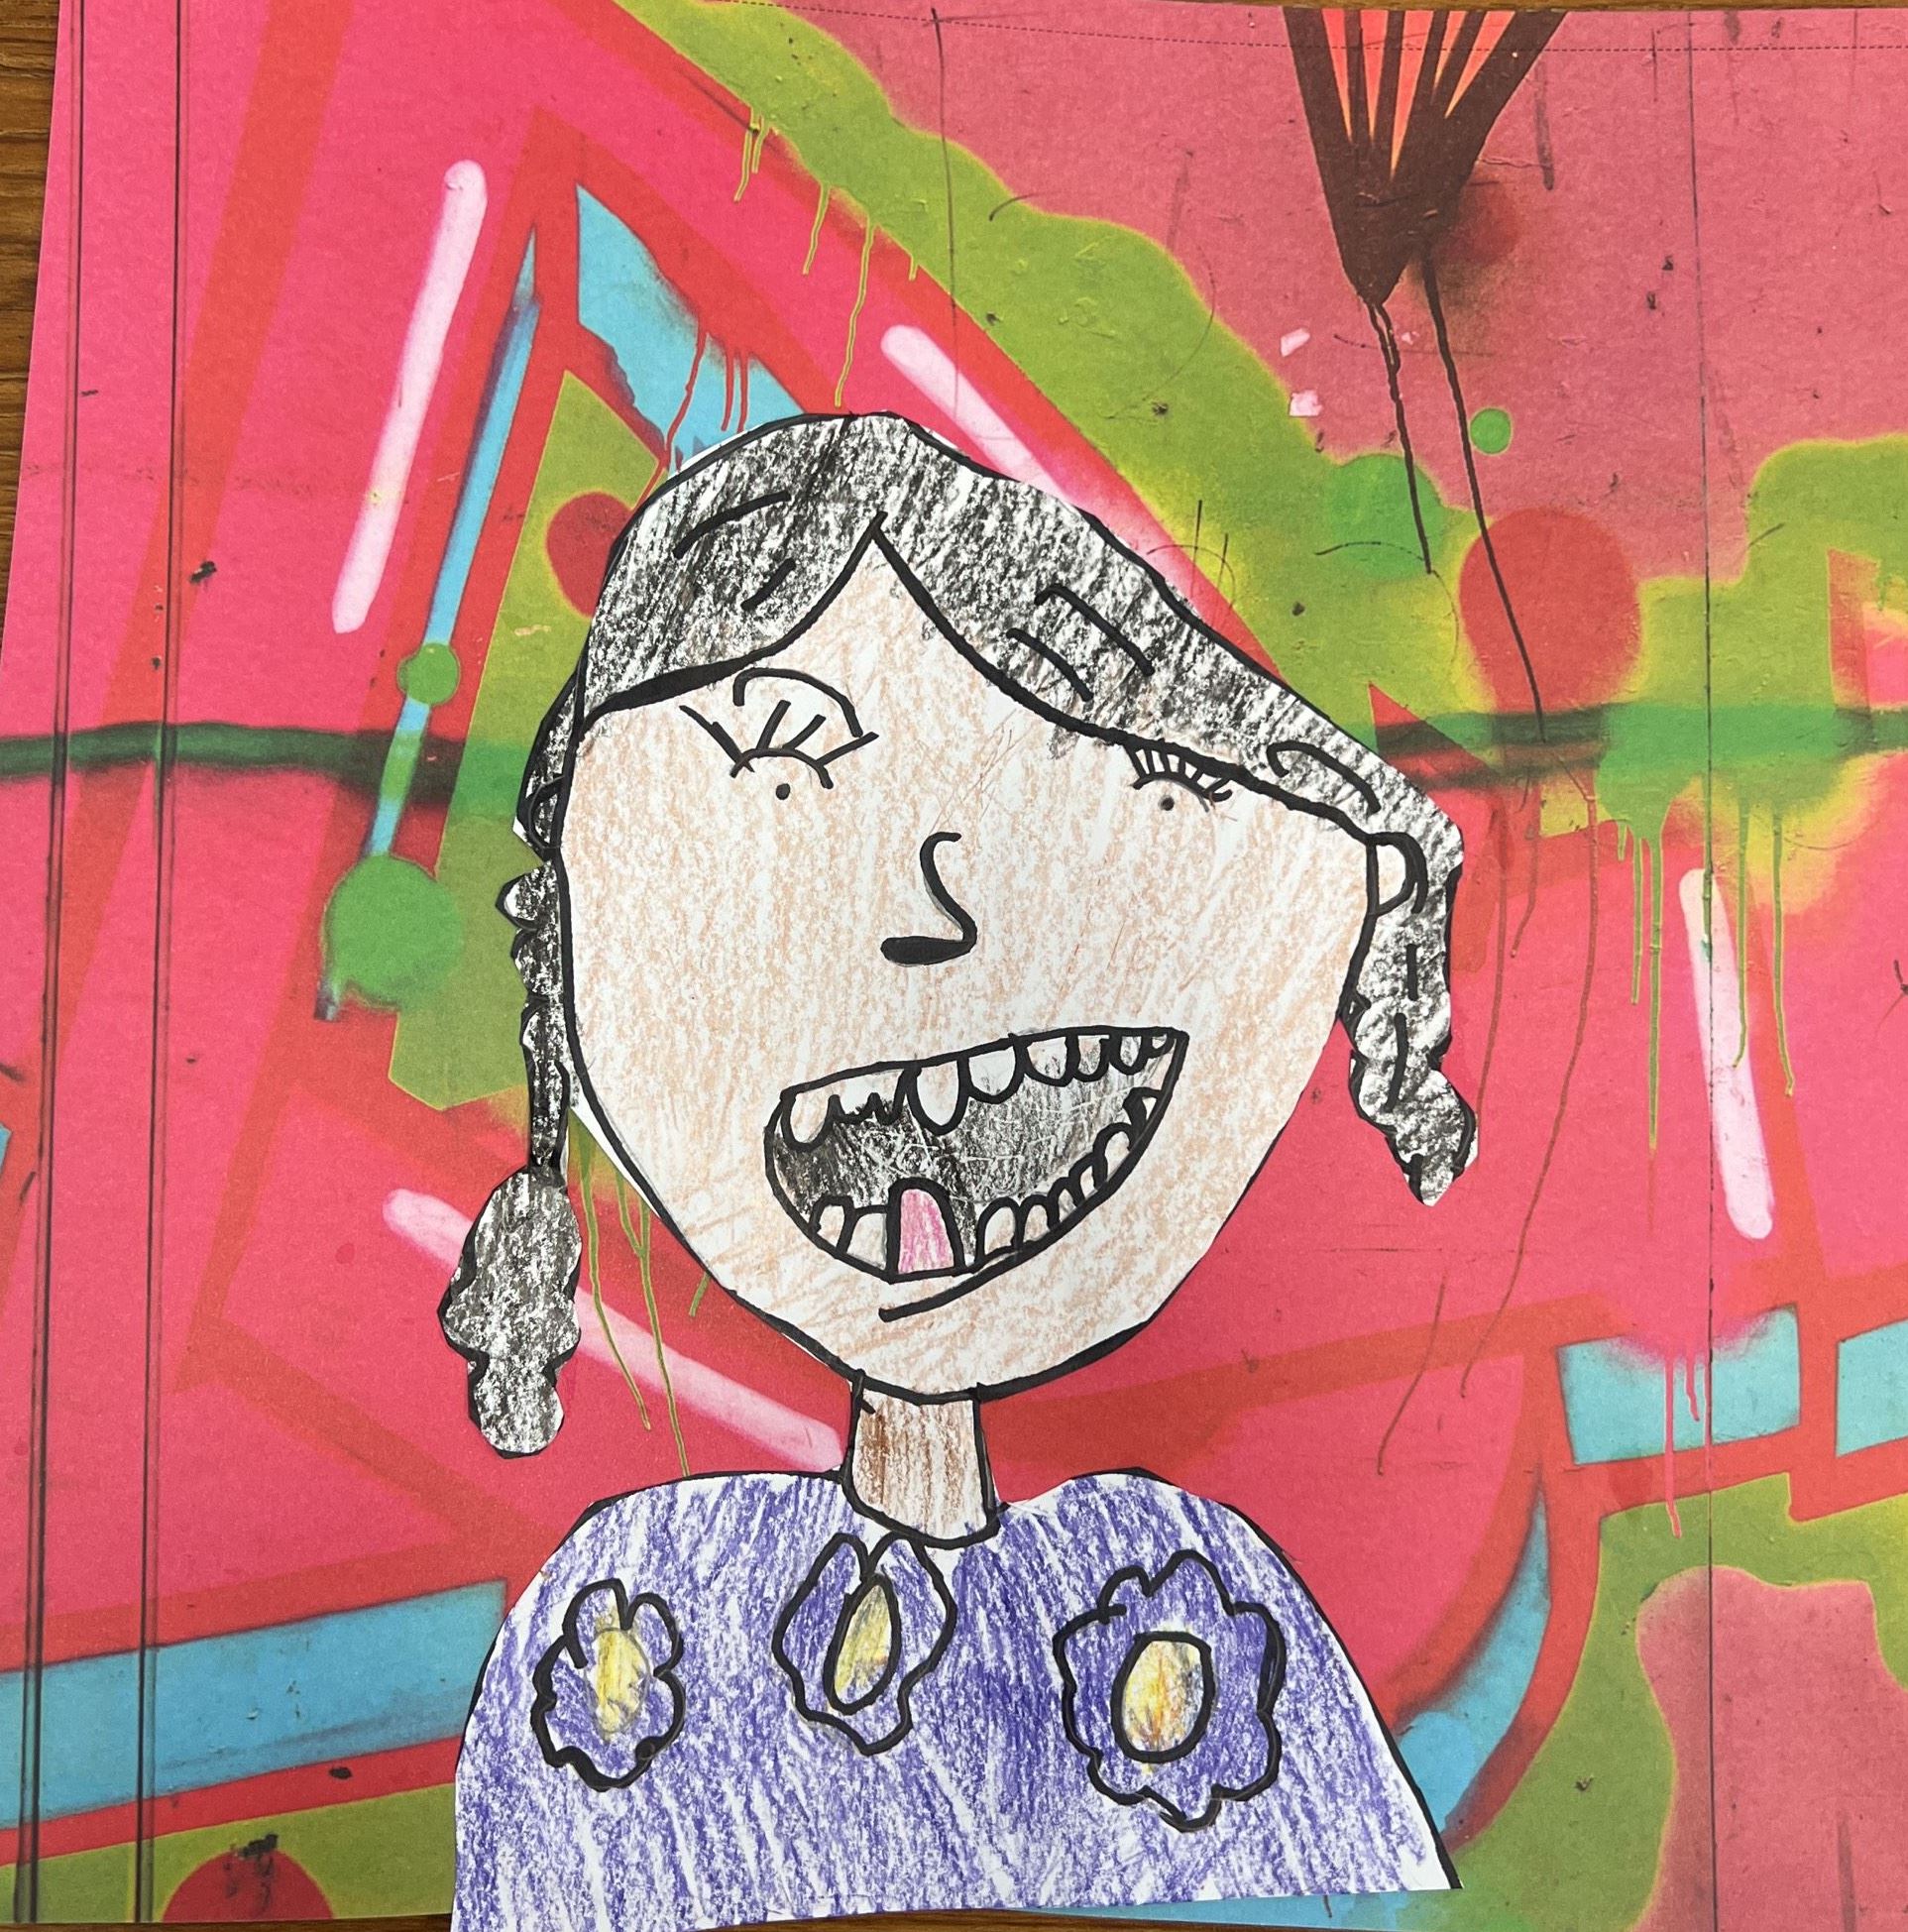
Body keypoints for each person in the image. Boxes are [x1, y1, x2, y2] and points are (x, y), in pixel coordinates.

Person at [442, 412, 1475, 1929]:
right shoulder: (635, 1624)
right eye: (774, 791)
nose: (928, 912)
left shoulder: (1190, 1604)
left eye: (1121, 788)